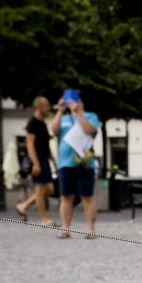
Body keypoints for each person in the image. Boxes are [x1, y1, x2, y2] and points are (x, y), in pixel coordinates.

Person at [52, 90, 100, 238]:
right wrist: (60, 111)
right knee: (66, 196)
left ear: (81, 102)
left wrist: (79, 113)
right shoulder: (64, 118)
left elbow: (90, 130)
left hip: (85, 161)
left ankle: (90, 230)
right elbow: (54, 131)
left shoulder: (91, 116)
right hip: (65, 162)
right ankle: (65, 229)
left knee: (87, 196)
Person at [15, 97, 55, 225]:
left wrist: (52, 157)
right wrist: (36, 163)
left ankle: (24, 206)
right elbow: (30, 144)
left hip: (44, 159)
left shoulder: (42, 124)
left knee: (49, 190)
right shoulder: (32, 123)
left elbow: (45, 143)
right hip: (38, 160)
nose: (49, 108)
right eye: (47, 106)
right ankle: (44, 219)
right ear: (39, 107)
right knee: (41, 189)